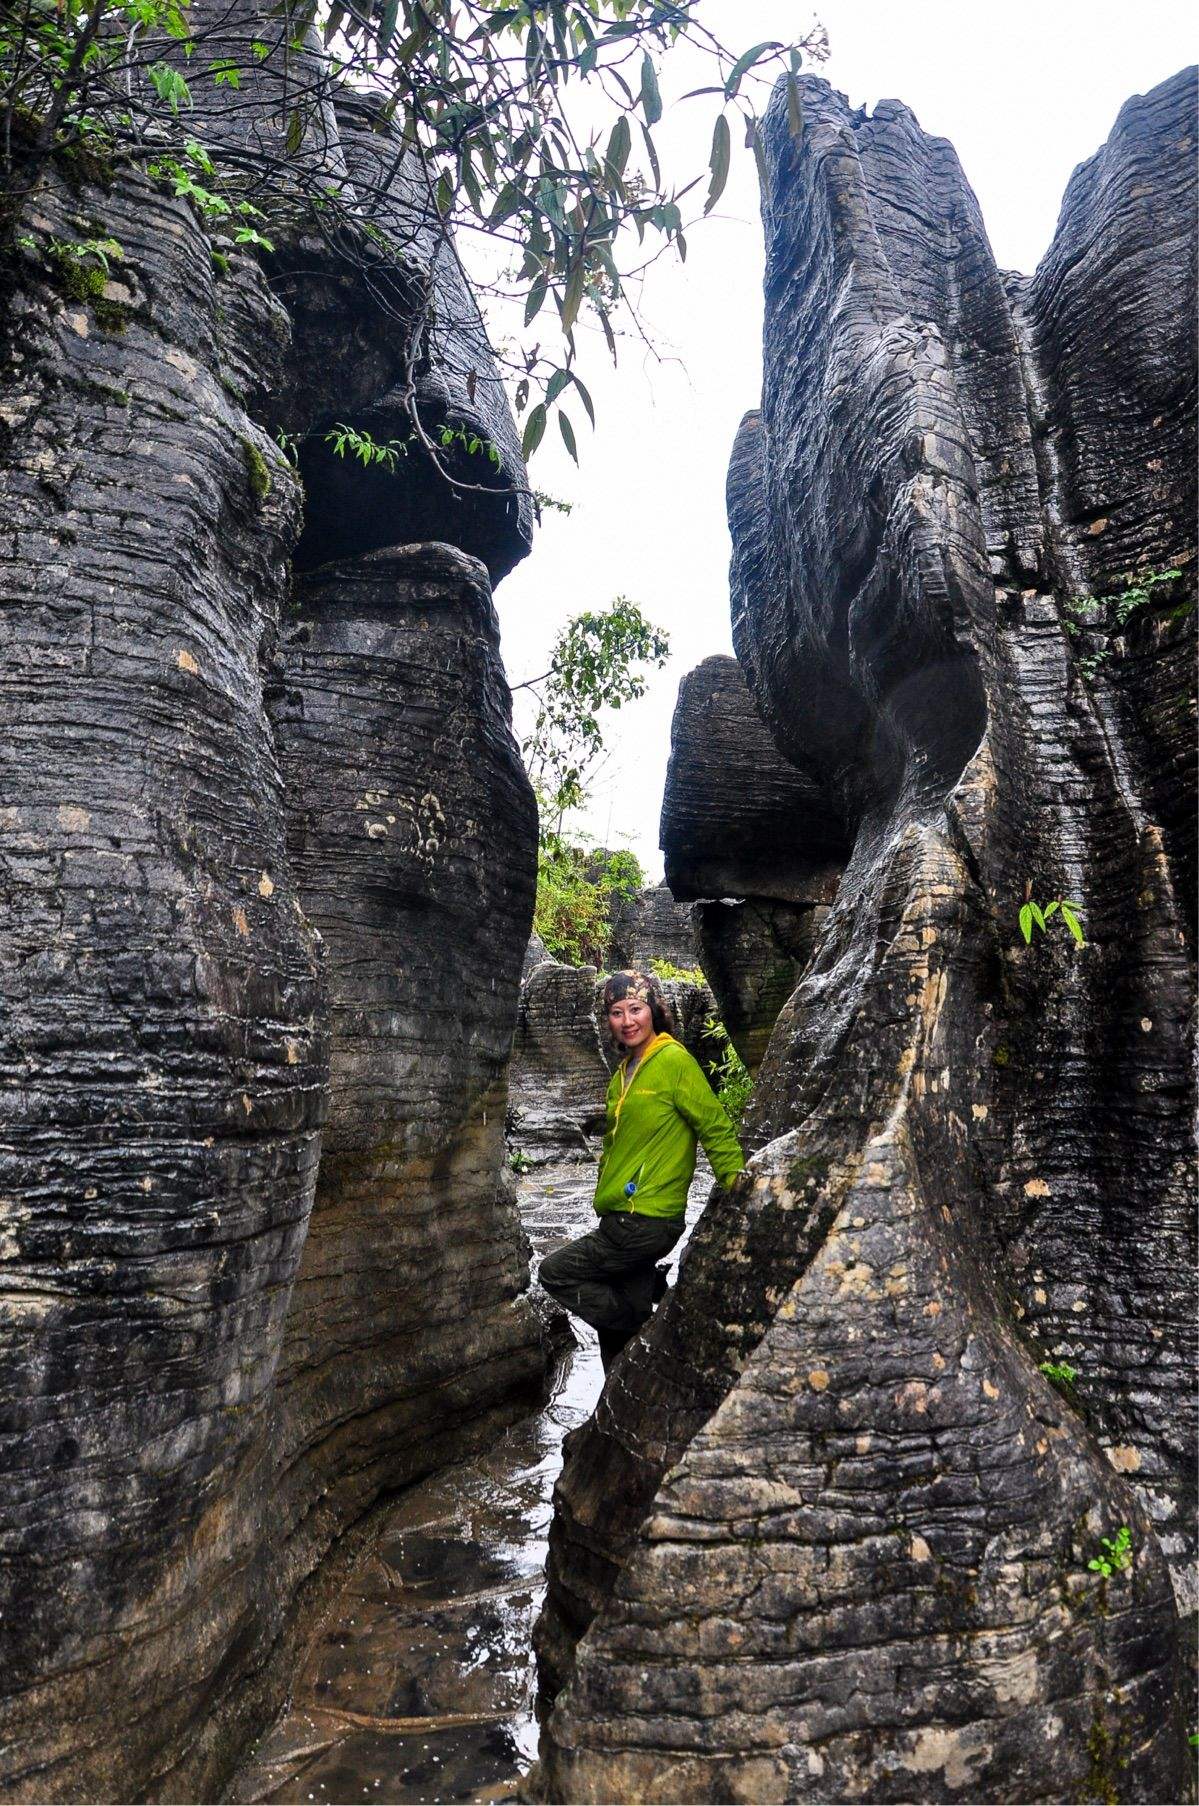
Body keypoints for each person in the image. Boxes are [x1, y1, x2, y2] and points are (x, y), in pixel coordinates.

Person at [538, 969, 745, 1373]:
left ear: (653, 1011)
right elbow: (615, 1148)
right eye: (617, 1012)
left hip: (645, 1219)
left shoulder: (673, 1061)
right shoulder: (622, 1075)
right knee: (612, 1335)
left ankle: (649, 1326)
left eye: (636, 1009)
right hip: (619, 1217)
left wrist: (738, 1185)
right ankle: (614, 1410)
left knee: (555, 1273)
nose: (627, 1020)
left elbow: (713, 1125)